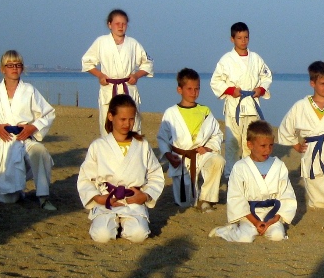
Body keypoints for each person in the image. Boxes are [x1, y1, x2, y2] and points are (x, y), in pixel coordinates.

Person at [0, 50, 57, 210]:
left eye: (18, 65)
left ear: (22, 68)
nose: (14, 68)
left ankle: (43, 197)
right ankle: (17, 189)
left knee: (40, 152)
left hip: (24, 138)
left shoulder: (29, 90)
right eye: (10, 65)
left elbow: (48, 113)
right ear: (2, 69)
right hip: (4, 140)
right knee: (8, 199)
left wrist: (32, 127)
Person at [79, 94, 165, 243]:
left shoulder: (142, 145)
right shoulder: (98, 146)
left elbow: (156, 175)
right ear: (111, 116)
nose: (127, 124)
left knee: (139, 235)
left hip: (133, 201)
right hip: (107, 199)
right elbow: (85, 178)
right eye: (123, 119)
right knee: (102, 236)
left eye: (131, 119)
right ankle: (109, 223)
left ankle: (124, 226)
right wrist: (99, 198)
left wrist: (144, 196)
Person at [277, 61, 324, 209]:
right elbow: (286, 127)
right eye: (322, 83)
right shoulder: (301, 106)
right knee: (322, 204)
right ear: (312, 83)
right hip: (312, 153)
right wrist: (297, 145)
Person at [210, 120, 297, 243]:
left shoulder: (279, 165)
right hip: (249, 215)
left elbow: (286, 195)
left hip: (271, 213)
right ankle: (226, 231)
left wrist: (273, 219)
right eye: (263, 146)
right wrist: (256, 222)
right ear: (250, 145)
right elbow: (236, 198)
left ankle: (268, 226)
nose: (267, 150)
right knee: (245, 238)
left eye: (271, 145)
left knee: (277, 236)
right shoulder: (240, 167)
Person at [209, 22, 273, 176]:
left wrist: (261, 89)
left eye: (246, 37)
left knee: (250, 144)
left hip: (251, 106)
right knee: (232, 144)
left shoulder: (256, 58)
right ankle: (230, 176)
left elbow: (266, 76)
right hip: (234, 107)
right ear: (232, 39)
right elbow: (215, 81)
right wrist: (231, 90)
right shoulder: (226, 60)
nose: (243, 41)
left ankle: (250, 175)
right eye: (239, 38)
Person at [156, 68, 225, 211]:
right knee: (185, 203)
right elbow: (162, 137)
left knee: (217, 161)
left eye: (197, 89)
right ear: (179, 90)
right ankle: (190, 197)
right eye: (189, 89)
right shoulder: (171, 113)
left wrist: (208, 147)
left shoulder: (205, 111)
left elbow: (217, 134)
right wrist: (168, 155)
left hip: (200, 154)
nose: (194, 93)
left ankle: (206, 198)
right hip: (180, 157)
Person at [82, 9, 154, 136]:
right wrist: (100, 75)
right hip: (109, 88)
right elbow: (87, 62)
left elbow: (148, 63)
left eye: (124, 24)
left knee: (132, 125)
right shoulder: (101, 42)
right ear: (109, 24)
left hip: (128, 88)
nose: (120, 26)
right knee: (108, 126)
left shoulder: (133, 44)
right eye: (117, 23)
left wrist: (137, 75)